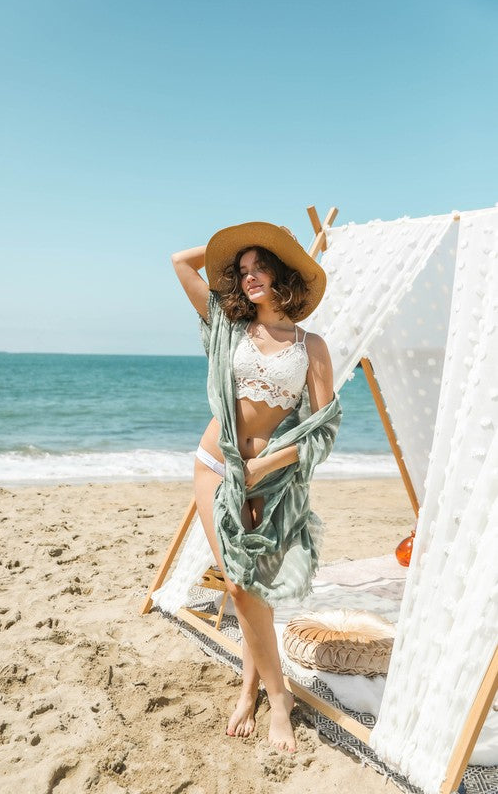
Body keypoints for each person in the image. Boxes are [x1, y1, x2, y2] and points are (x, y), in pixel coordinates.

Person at [171, 221, 342, 753]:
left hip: (266, 483)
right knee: (240, 586)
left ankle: (249, 685)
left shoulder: (311, 345)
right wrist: (236, 238)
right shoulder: (228, 325)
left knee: (253, 593)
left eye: (259, 266)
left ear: (282, 272)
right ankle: (279, 694)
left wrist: (264, 469)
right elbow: (181, 262)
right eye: (240, 271)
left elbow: (324, 428)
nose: (248, 278)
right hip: (213, 468)